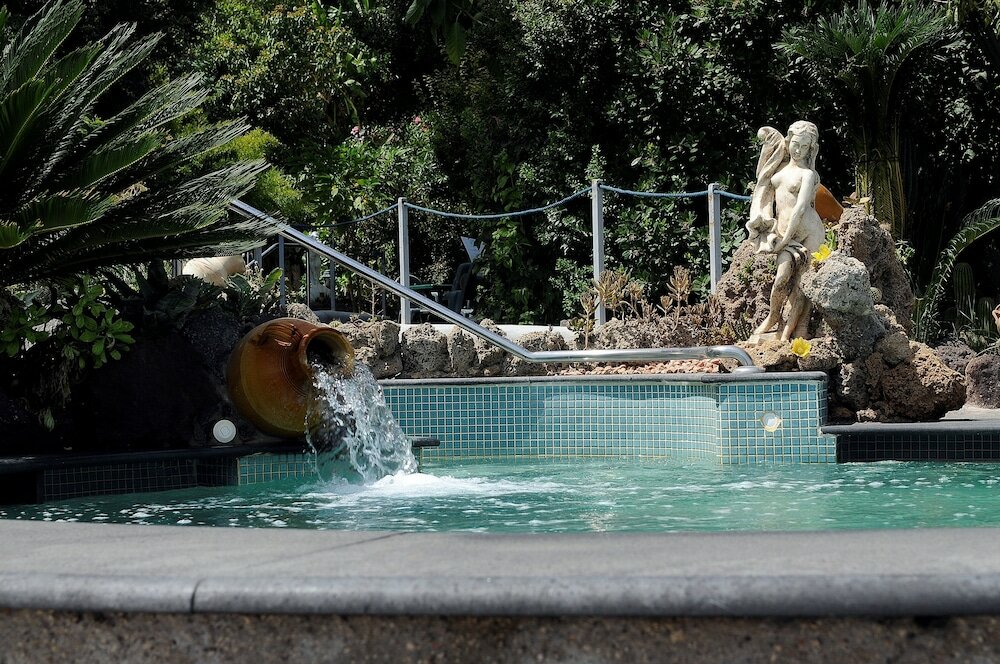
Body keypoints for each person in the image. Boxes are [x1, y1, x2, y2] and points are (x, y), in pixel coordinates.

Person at [746, 121, 826, 341]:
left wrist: (784, 240)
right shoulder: (779, 170)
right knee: (781, 279)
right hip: (785, 234)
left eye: (804, 147)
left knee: (802, 284)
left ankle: (797, 329)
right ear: (789, 141)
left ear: (811, 149)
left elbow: (800, 209)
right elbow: (762, 181)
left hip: (809, 233)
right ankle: (773, 317)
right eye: (795, 144)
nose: (798, 151)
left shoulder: (807, 175)